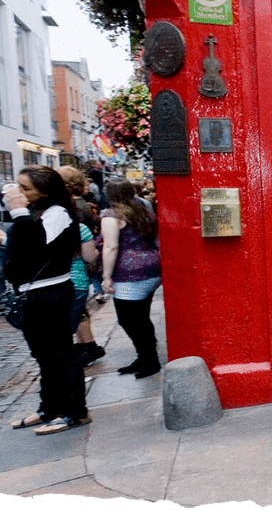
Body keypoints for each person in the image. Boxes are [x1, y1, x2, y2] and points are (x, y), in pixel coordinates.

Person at [4, 166, 91, 435]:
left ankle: (75, 411)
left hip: (51, 294)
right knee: (43, 355)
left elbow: (33, 247)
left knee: (61, 353)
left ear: (45, 190)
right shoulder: (34, 213)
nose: (19, 193)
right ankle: (50, 407)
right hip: (32, 295)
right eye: (18, 186)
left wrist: (18, 213)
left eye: (26, 188)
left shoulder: (58, 214)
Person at [100, 180, 163, 378]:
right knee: (141, 318)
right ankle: (144, 358)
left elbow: (111, 247)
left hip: (129, 275)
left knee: (128, 320)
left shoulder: (111, 216)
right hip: (152, 270)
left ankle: (150, 360)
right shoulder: (143, 211)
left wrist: (106, 277)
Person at [56, 166, 106, 366]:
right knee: (80, 310)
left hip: (76, 266)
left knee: (73, 315)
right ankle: (88, 345)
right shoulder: (84, 204)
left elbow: (83, 239)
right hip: (80, 264)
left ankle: (86, 347)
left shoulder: (73, 208)